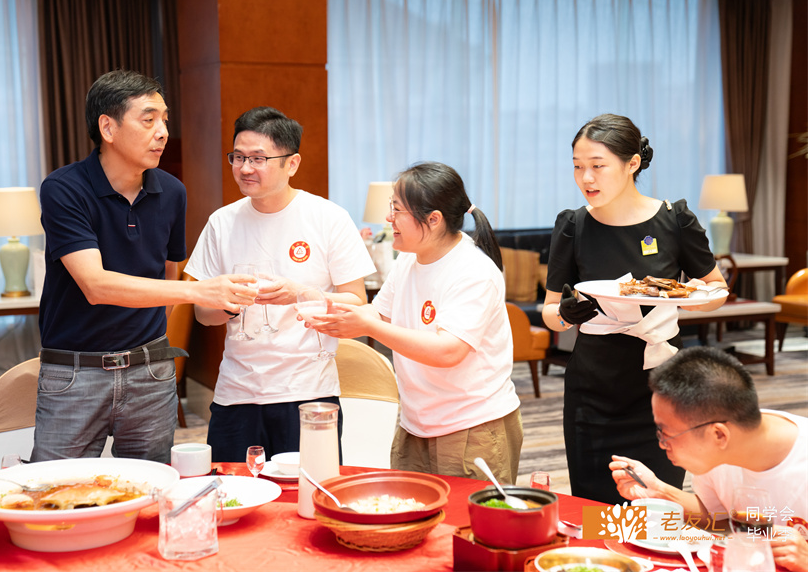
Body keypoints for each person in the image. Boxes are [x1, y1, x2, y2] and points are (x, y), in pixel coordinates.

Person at [32, 70, 256, 464]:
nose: (163, 132)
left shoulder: (172, 192)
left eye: (165, 120)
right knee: (56, 488)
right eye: (148, 119)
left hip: (151, 371)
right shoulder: (64, 189)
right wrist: (199, 290)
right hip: (76, 373)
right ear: (108, 127)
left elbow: (167, 274)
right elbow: (95, 285)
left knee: (152, 486)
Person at [542, 113, 728, 503]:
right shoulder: (573, 226)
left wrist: (694, 297)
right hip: (592, 390)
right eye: (577, 167)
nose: (586, 178)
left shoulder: (674, 220)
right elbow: (550, 311)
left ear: (632, 164)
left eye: (597, 166)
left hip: (662, 388)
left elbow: (717, 289)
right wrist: (565, 315)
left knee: (656, 506)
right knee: (596, 511)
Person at [184, 106, 375, 462]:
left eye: (258, 158)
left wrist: (299, 294)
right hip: (237, 393)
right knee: (235, 488)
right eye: (238, 157)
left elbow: (357, 302)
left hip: (308, 391)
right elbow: (202, 314)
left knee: (309, 488)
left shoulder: (328, 218)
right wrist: (230, 303)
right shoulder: (222, 223)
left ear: (292, 163)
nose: (245, 168)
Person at [312, 162, 523, 484]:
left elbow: (448, 350)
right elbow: (379, 313)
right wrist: (314, 301)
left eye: (397, 210)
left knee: (464, 516)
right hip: (416, 422)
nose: (388, 218)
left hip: (471, 426)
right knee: (412, 510)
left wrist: (368, 327)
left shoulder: (473, 271)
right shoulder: (409, 259)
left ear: (434, 220)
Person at [610, 346, 808, 572]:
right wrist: (659, 491)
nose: (662, 444)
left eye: (666, 434)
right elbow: (719, 520)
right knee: (596, 532)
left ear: (719, 435)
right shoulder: (720, 450)